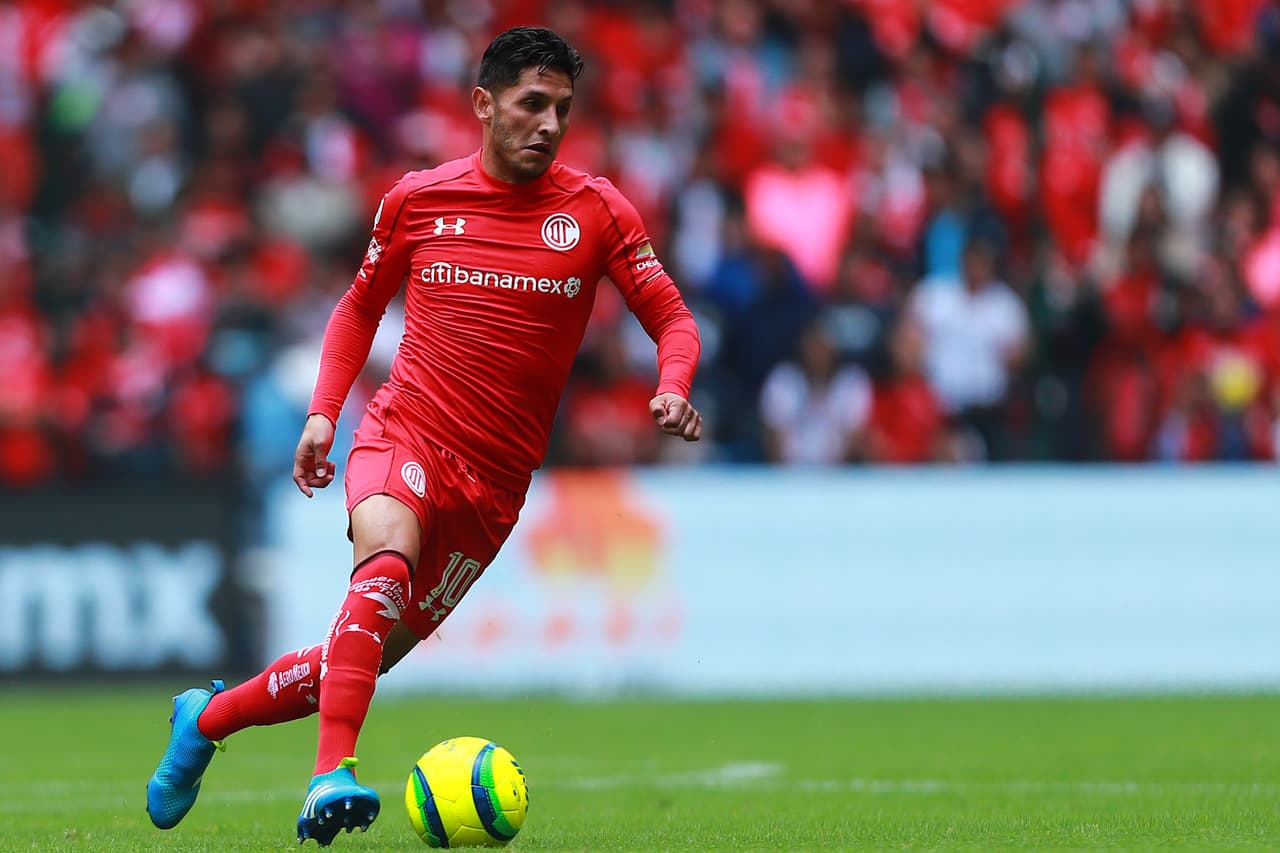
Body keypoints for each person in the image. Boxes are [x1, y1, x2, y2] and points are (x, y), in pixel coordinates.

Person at [145, 27, 702, 847]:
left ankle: (208, 715)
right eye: (531, 104)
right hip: (403, 432)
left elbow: (672, 317)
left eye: (562, 109)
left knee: (356, 657)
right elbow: (358, 308)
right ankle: (330, 772)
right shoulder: (418, 198)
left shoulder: (596, 210)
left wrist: (672, 386)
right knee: (386, 566)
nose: (549, 124)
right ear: (483, 105)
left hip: (494, 488)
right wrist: (324, 413)